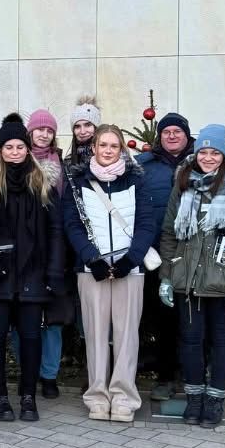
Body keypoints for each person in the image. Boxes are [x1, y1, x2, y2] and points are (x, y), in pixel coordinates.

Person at [158, 125, 225, 429]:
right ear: (195, 153)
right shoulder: (184, 184)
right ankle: (195, 398)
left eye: (215, 152)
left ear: (224, 155)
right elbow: (168, 234)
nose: (208, 157)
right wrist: (167, 275)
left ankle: (215, 399)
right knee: (190, 341)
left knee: (221, 342)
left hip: (222, 284)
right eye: (203, 152)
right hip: (187, 283)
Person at [62, 124, 155, 423]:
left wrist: (132, 259)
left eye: (114, 146)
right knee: (96, 334)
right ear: (94, 147)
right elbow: (72, 225)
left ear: (121, 150)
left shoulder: (136, 180)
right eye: (103, 145)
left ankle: (124, 397)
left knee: (127, 335)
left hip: (130, 268)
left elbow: (146, 223)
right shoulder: (78, 182)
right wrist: (92, 258)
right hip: (93, 270)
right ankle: (97, 396)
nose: (107, 150)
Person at [0, 116, 65, 423]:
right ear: (0, 150)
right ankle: (0, 397)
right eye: (8, 146)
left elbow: (56, 231)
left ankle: (28, 396)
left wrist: (53, 272)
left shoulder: (42, 186)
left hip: (32, 274)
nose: (14, 152)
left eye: (19, 146)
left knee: (31, 337)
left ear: (28, 150)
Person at [136, 112, 194, 402]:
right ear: (159, 137)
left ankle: (193, 372)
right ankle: (165, 375)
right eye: (166, 131)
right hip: (155, 255)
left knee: (191, 318)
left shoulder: (203, 161)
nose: (172, 136)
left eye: (177, 131)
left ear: (187, 135)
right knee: (160, 317)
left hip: (194, 256)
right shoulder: (144, 166)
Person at [26, 108, 67, 398]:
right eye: (39, 129)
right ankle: (30, 367)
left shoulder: (61, 165)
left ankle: (49, 375)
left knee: (53, 319)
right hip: (24, 251)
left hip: (55, 247)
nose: (43, 134)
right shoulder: (15, 159)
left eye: (49, 130)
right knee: (24, 318)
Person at [64, 96, 100, 174]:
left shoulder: (109, 157)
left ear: (96, 127)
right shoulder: (68, 163)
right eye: (77, 126)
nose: (82, 131)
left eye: (87, 125)